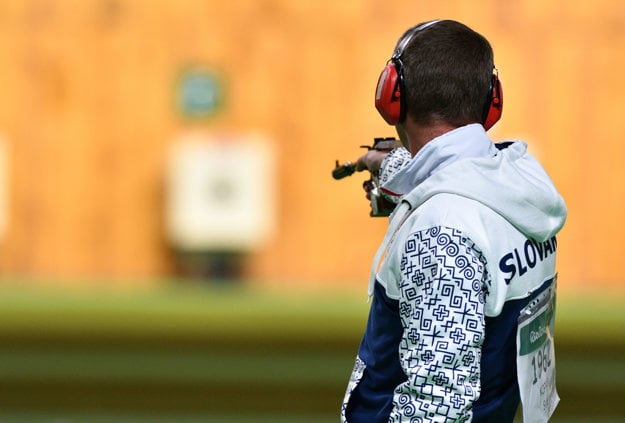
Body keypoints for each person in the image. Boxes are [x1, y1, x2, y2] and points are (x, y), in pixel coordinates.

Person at [341, 19, 567, 422]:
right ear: (491, 100)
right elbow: (457, 173)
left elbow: (438, 403)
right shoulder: (519, 182)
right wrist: (390, 166)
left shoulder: (441, 232)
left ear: (392, 96)